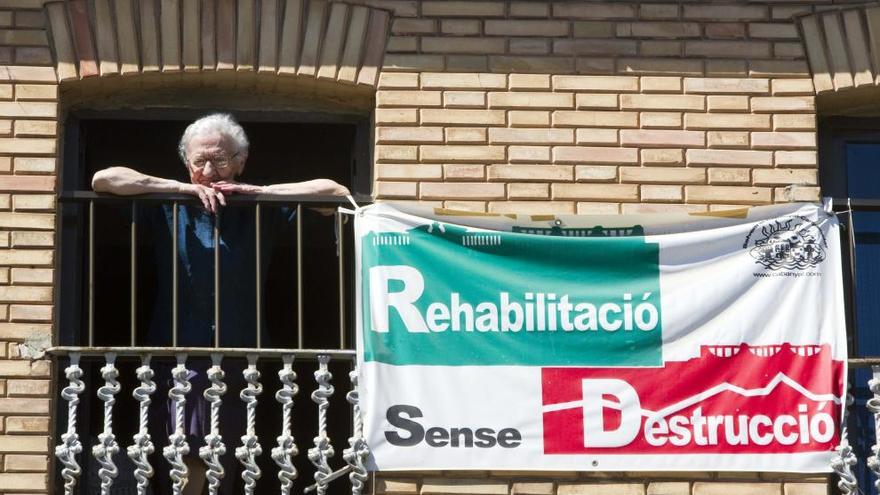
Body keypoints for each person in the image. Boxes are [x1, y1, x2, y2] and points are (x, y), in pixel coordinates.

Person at [92, 113, 349, 494]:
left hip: (239, 355)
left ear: (240, 161)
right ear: (186, 163)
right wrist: (179, 189)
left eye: (221, 160)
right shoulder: (167, 203)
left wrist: (260, 193)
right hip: (178, 351)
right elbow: (103, 180)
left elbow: (336, 194)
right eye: (200, 162)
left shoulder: (257, 208)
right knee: (187, 451)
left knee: (223, 454)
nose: (209, 171)